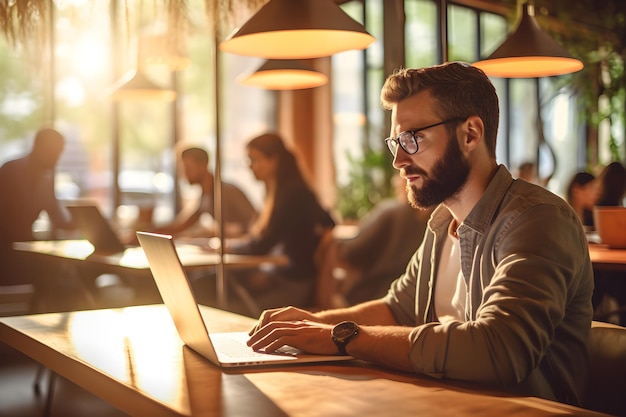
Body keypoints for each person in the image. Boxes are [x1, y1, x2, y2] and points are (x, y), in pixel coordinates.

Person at [247, 62, 594, 407]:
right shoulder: (442, 223)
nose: (398, 159)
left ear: (470, 134)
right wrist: (310, 325)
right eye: (396, 141)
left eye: (413, 138)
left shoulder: (537, 219)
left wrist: (342, 337)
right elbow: (396, 310)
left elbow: (499, 350)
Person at [225, 133, 335, 315]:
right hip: (286, 277)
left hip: (294, 284)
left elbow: (263, 245)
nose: (251, 167)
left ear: (274, 160)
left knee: (228, 306)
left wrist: (227, 249)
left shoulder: (292, 193)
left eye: (254, 160)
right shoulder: (283, 190)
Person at [333, 174, 432, 306]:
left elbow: (351, 252)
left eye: (400, 173)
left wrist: (330, 241)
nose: (395, 180)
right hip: (412, 303)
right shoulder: (439, 219)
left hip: (371, 298)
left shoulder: (390, 211)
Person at [0, 127, 73, 288]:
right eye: (54, 153)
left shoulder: (45, 181)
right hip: (6, 252)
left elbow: (59, 218)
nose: (57, 160)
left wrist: (84, 222)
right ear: (38, 147)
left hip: (24, 251)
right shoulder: (10, 171)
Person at [155, 147, 257, 238]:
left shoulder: (228, 191)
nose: (185, 173)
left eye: (188, 168)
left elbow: (255, 222)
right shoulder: (205, 195)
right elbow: (184, 224)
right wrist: (153, 231)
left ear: (204, 165)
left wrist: (228, 229)